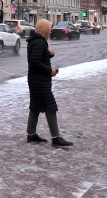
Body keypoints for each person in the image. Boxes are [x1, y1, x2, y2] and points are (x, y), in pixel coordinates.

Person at [26, 19, 73, 147]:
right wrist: (50, 71)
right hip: (40, 80)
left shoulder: (34, 41)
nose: (50, 31)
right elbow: (35, 62)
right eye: (48, 28)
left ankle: (31, 134)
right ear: (44, 30)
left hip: (35, 79)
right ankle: (56, 137)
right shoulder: (40, 42)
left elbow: (35, 57)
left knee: (35, 106)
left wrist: (48, 54)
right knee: (50, 106)